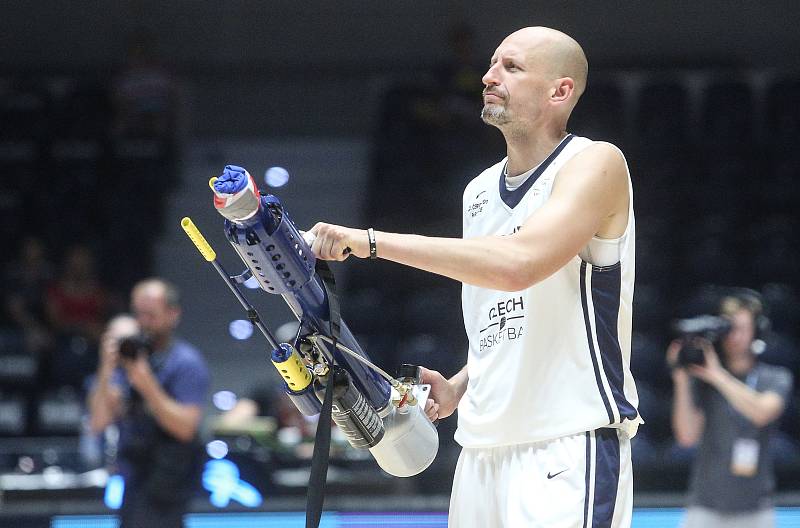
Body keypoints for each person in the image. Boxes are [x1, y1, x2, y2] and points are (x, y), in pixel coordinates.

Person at [309, 26, 641, 528]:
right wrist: (463, 384)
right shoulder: (478, 191)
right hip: (481, 450)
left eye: (512, 66)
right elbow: (508, 315)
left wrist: (371, 242)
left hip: (567, 443)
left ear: (561, 90)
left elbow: (518, 267)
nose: (488, 77)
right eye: (491, 65)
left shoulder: (595, 162)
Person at [88, 278, 210, 528]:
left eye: (151, 315)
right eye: (139, 314)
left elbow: (186, 428)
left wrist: (146, 384)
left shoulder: (186, 363)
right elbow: (99, 422)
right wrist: (106, 367)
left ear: (172, 315)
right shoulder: (128, 357)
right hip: (132, 479)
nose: (143, 323)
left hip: (168, 483)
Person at [668, 291, 793, 528]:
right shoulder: (704, 380)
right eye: (728, 327)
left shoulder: (775, 377)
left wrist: (718, 376)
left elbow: (762, 412)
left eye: (741, 328)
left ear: (757, 331)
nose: (733, 336)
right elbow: (686, 436)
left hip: (756, 509)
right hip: (704, 507)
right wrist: (682, 380)